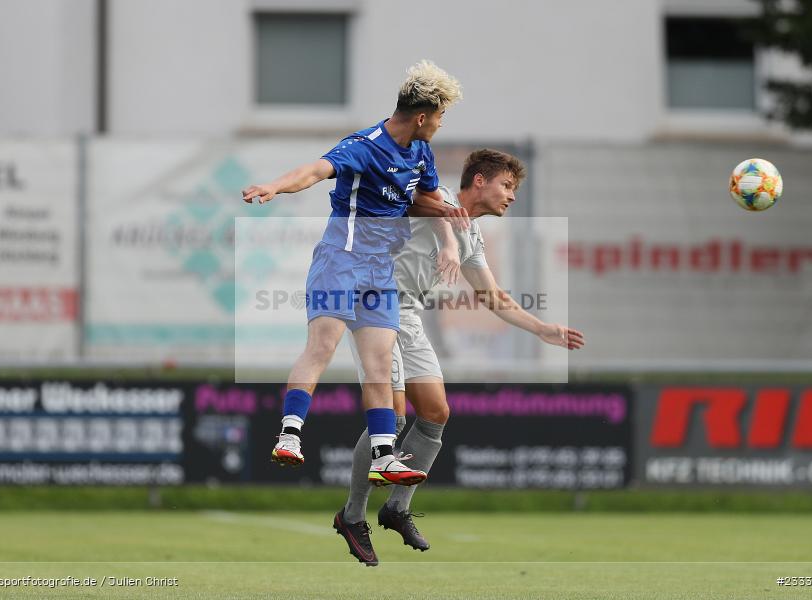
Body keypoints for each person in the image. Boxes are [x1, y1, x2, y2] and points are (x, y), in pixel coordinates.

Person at [337, 149, 585, 566]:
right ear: (480, 181)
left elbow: (493, 297)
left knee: (436, 411)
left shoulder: (472, 235)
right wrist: (444, 223)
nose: (511, 196)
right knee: (393, 418)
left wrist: (543, 329)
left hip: (409, 313)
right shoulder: (434, 195)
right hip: (372, 304)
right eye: (507, 185)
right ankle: (352, 515)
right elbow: (401, 195)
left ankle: (397, 508)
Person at [240, 60, 468, 495]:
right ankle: (289, 435)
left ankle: (384, 457)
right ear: (422, 116)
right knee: (322, 346)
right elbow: (313, 171)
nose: (440, 125)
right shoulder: (364, 146)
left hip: (380, 271)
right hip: (340, 260)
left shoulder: (420, 153)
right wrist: (274, 186)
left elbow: (424, 200)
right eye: (440, 117)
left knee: (380, 363)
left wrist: (451, 236)